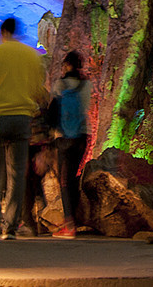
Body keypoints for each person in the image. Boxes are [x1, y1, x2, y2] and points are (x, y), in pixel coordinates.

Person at [0, 18, 46, 240]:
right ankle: (11, 227)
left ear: (3, 32)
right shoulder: (31, 56)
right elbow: (37, 89)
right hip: (22, 118)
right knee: (17, 174)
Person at [51, 50, 92, 238]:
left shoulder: (60, 85)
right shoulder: (86, 85)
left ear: (67, 65)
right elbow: (87, 107)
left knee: (64, 181)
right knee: (74, 179)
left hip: (64, 137)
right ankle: (73, 219)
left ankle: (69, 224)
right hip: (83, 136)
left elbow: (52, 110)